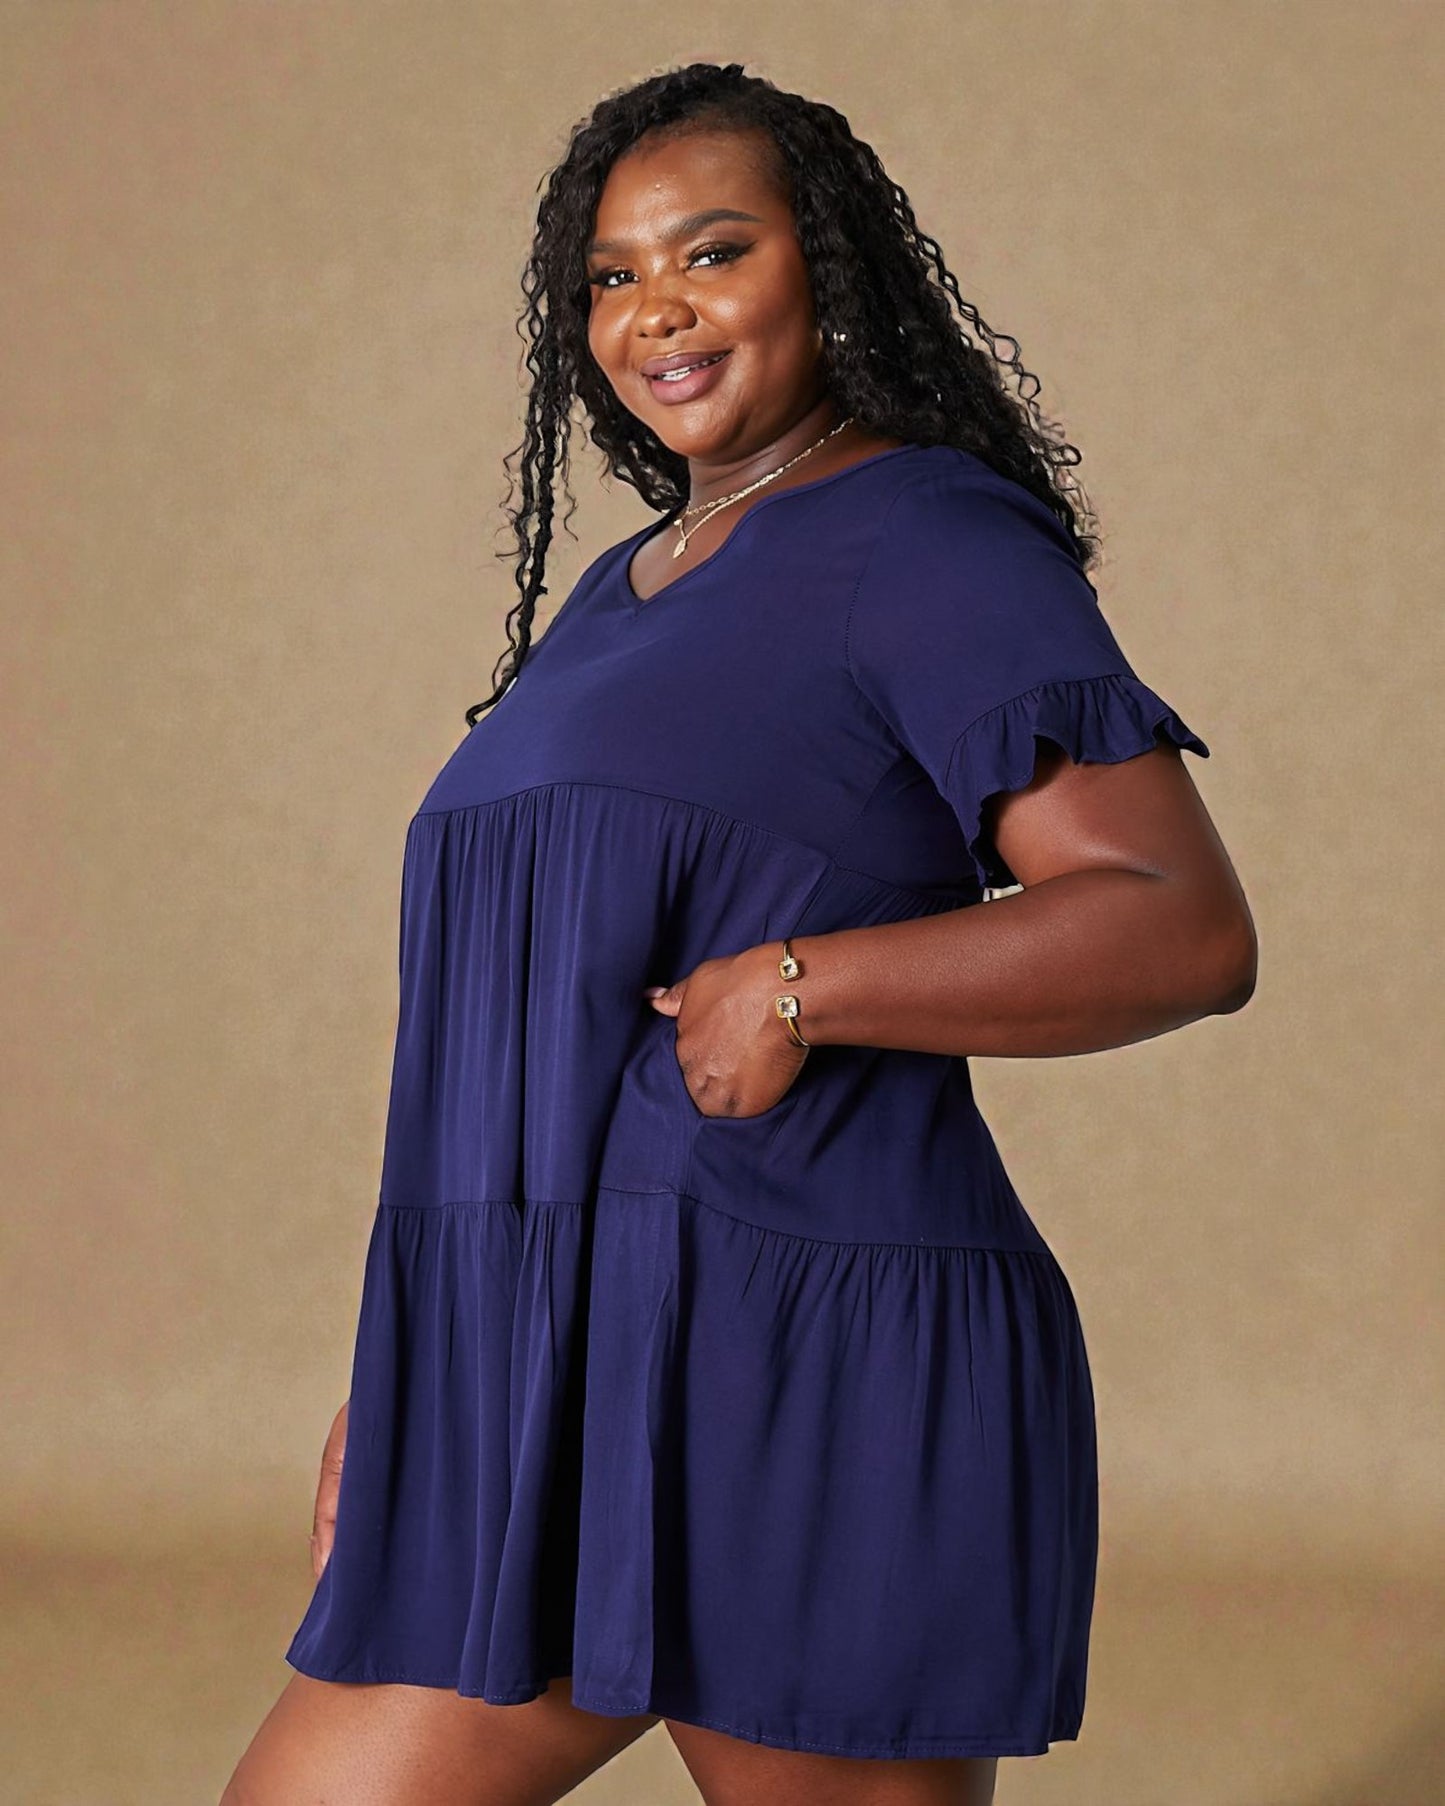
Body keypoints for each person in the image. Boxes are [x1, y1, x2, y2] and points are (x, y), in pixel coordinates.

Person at [222, 60, 1256, 1806]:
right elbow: (528, 1046)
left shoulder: (924, 541)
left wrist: (807, 981)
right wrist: (421, 1377)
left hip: (797, 1360)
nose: (655, 312)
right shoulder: (613, 598)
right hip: (542, 1374)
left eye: (710, 252)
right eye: (610, 277)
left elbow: (1181, 921)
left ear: (821, 267)